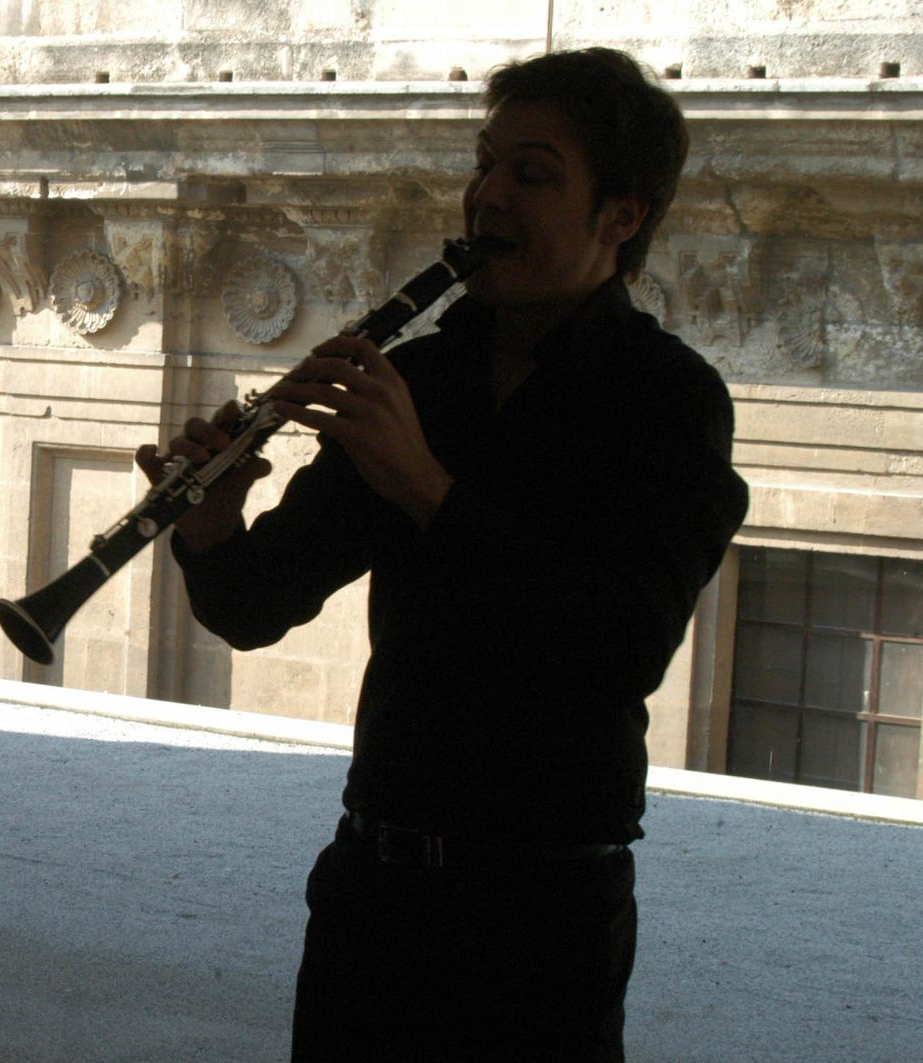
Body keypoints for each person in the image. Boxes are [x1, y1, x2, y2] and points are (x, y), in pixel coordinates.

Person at [135, 47, 750, 1062]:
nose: (487, 196)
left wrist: (425, 486)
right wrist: (211, 520)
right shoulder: (418, 372)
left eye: (533, 174)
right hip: (370, 888)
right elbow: (254, 605)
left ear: (621, 217)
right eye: (486, 162)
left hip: (542, 909)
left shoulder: (667, 402)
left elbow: (620, 642)